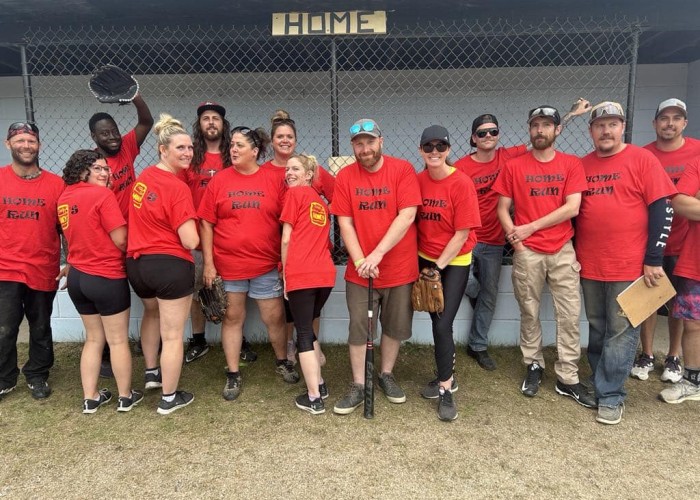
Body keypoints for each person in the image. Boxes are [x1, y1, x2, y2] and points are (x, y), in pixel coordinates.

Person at [456, 99, 590, 371]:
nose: (488, 136)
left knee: (490, 295)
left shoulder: (508, 157)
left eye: (493, 131)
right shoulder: (461, 167)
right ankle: (476, 296)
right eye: (482, 132)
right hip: (467, 238)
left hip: (495, 239)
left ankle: (477, 345)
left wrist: (572, 114)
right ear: (473, 138)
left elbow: (542, 138)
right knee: (467, 285)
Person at [577, 101, 676, 425]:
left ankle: (611, 395)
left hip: (630, 265)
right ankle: (600, 380)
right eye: (600, 125)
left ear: (623, 127)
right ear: (591, 130)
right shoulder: (582, 165)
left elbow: (663, 209)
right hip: (590, 264)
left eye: (612, 124)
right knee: (597, 327)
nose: (606, 130)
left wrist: (654, 259)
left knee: (620, 331)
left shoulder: (642, 160)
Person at [492, 105, 595, 408]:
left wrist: (530, 227)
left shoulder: (571, 164)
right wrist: (516, 239)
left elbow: (572, 207)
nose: (540, 130)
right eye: (535, 125)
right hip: (528, 252)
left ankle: (567, 376)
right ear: (530, 129)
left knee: (569, 314)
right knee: (529, 311)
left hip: (562, 248)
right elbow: (502, 208)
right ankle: (534, 364)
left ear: (557, 130)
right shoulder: (514, 166)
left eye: (546, 125)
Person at [199, 125, 299, 402]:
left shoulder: (273, 180)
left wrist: (287, 260)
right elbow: (206, 223)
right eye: (232, 145)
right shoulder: (220, 181)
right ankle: (233, 372)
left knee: (274, 317)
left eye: (239, 145)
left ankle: (282, 361)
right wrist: (208, 263)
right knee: (233, 318)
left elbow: (288, 218)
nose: (233, 149)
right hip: (229, 266)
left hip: (265, 265)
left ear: (254, 151)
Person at [331, 118, 421, 415]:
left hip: (398, 267)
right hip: (361, 272)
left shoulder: (402, 170)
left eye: (370, 142)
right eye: (359, 144)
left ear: (380, 141)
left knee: (394, 326)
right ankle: (359, 384)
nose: (365, 148)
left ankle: (386, 374)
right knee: (360, 327)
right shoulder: (346, 176)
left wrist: (377, 255)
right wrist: (360, 261)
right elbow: (345, 222)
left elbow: (407, 216)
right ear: (353, 147)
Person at [58, 149, 143, 413]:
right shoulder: (103, 195)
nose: (105, 173)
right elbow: (121, 239)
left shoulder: (64, 198)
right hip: (106, 276)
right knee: (117, 341)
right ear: (82, 170)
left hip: (77, 278)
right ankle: (125, 396)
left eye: (106, 168)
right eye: (97, 168)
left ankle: (91, 397)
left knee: (94, 339)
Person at [126, 114, 199, 415]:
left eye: (190, 147)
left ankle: (151, 372)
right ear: (163, 149)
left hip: (138, 265)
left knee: (151, 313)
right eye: (180, 147)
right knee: (172, 335)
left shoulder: (144, 178)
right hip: (169, 265)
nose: (187, 152)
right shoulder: (177, 187)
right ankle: (169, 398)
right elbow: (190, 240)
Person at [181, 101, 257, 365]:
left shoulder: (233, 154)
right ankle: (198, 339)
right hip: (196, 237)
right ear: (199, 124)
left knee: (234, 293)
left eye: (216, 118)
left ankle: (239, 339)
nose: (211, 122)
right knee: (197, 290)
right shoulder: (191, 156)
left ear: (223, 124)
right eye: (206, 118)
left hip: (227, 238)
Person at [632, 98, 700, 382]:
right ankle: (646, 354)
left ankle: (673, 357)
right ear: (654, 123)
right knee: (649, 298)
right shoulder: (644, 155)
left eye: (676, 118)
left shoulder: (697, 152)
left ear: (684, 123)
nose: (670, 123)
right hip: (651, 242)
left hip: (686, 242)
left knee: (679, 304)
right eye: (664, 118)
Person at [416, 125, 481, 421]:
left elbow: (462, 233)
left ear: (449, 150)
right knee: (436, 321)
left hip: (453, 261)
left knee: (443, 325)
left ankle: (445, 389)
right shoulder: (418, 181)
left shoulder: (461, 183)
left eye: (440, 146)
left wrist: (436, 268)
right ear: (421, 151)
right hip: (424, 258)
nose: (434, 152)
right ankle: (447, 375)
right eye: (428, 147)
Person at [261, 109, 335, 365]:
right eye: (279, 136)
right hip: (277, 245)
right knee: (288, 305)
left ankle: (311, 344)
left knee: (309, 305)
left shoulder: (310, 169)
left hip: (309, 252)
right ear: (272, 141)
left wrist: (320, 219)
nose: (285, 140)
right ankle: (292, 345)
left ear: (295, 139)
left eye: (289, 136)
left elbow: (338, 197)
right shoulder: (264, 172)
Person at [89, 92, 153, 377]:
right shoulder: (93, 166)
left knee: (146, 289)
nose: (112, 137)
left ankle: (148, 340)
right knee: (109, 299)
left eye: (114, 130)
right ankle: (104, 353)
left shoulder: (126, 146)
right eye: (105, 133)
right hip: (108, 240)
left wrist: (135, 97)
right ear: (94, 137)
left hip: (135, 234)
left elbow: (146, 122)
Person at [0, 122, 64, 401]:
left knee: (40, 326)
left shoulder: (57, 185)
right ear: (8, 144)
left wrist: (72, 260)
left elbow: (67, 228)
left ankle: (37, 374)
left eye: (31, 141)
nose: (26, 146)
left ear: (39, 145)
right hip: (5, 268)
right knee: (4, 328)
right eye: (20, 141)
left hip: (43, 268)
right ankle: (4, 378)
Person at [280, 154, 336, 414]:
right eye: (287, 169)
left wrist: (285, 274)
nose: (289, 173)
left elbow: (287, 238)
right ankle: (320, 384)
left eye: (295, 169)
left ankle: (314, 398)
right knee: (308, 330)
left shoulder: (295, 195)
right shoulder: (319, 202)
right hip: (324, 275)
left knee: (302, 332)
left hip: (302, 274)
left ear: (309, 175)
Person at [660, 158, 700, 404]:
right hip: (696, 259)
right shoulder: (698, 164)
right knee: (693, 323)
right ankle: (692, 382)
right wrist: (691, 200)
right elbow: (680, 203)